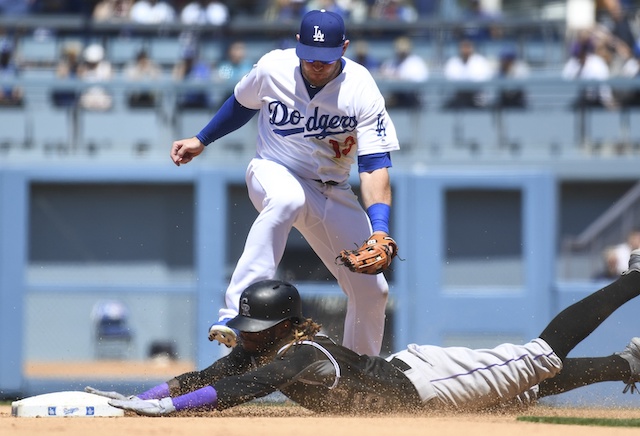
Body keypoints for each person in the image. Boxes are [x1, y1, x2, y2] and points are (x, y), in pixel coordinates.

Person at [89, 249, 640, 415]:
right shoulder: (264, 347)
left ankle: (633, 280)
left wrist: (169, 412)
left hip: (434, 385)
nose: (245, 336)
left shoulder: (301, 354)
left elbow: (237, 391)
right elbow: (206, 377)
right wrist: (142, 398)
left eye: (254, 327)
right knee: (523, 390)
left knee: (538, 358)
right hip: (417, 392)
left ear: (278, 326)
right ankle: (630, 365)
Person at [169, 9, 400, 356]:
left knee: (373, 292)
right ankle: (234, 313)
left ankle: (358, 378)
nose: (317, 65)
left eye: (326, 59)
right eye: (310, 57)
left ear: (345, 48)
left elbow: (374, 165)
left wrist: (379, 229)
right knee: (288, 199)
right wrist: (202, 139)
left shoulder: (361, 89)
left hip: (331, 189)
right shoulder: (273, 67)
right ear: (297, 44)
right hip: (273, 170)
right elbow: (241, 104)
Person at [378, 36, 429, 108]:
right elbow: (382, 75)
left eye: (404, 50)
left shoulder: (417, 62)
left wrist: (397, 77)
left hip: (412, 99)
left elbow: (419, 81)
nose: (401, 52)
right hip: (394, 96)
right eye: (399, 49)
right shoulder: (390, 62)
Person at [442, 38, 493, 109]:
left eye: (468, 47)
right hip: (458, 95)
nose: (465, 50)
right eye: (463, 47)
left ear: (472, 48)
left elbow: (484, 79)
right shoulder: (453, 62)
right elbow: (450, 79)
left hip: (477, 96)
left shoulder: (481, 61)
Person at [0, 41, 23, 107]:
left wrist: (15, 90)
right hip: (1, 94)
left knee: (19, 92)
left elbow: (19, 81)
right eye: (3, 54)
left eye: (6, 54)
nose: (5, 56)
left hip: (12, 94)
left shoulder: (14, 67)